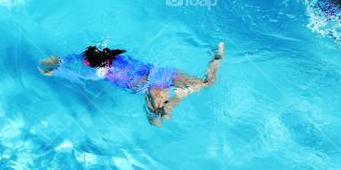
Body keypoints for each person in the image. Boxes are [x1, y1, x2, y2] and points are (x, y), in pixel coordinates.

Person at [39, 43, 225, 126]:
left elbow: (71, 65)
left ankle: (215, 61)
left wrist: (56, 69)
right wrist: (56, 67)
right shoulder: (108, 55)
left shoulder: (99, 71)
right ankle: (216, 59)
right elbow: (74, 61)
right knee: (204, 85)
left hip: (151, 81)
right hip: (158, 75)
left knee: (160, 115)